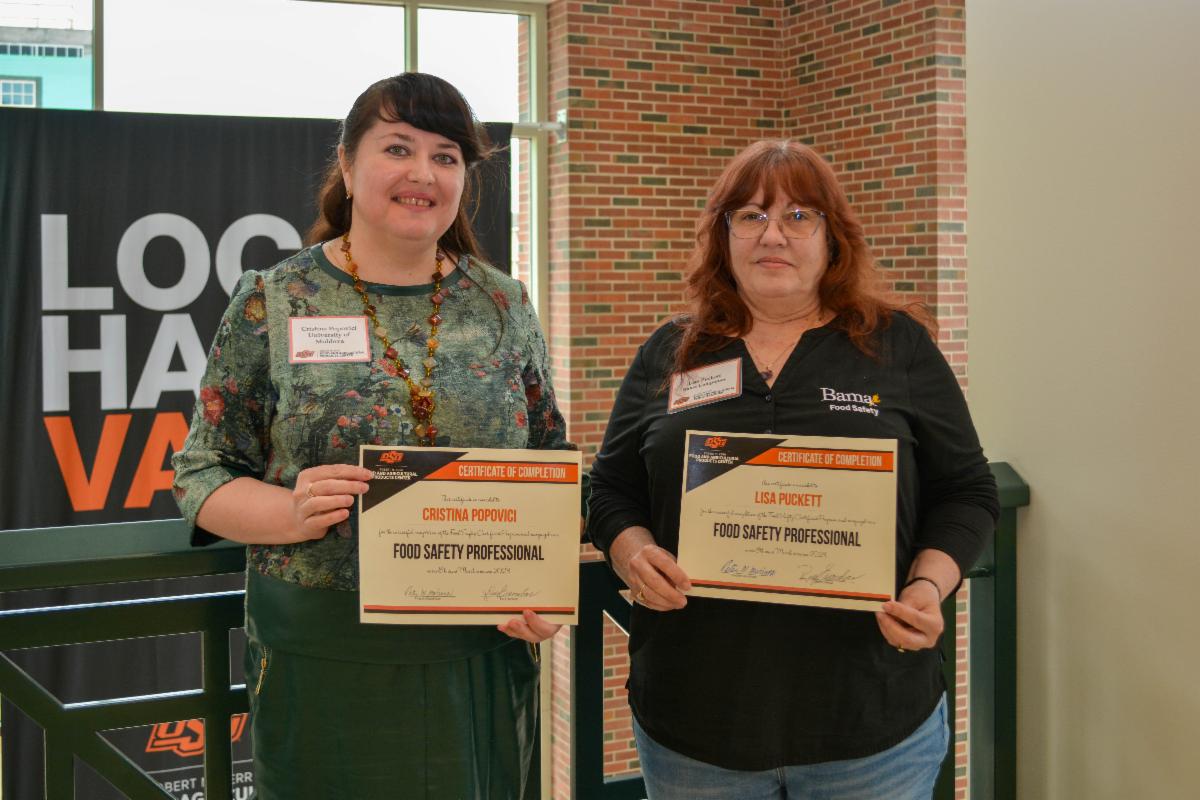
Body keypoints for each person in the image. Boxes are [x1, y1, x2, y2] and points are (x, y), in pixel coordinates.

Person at [172, 73, 568, 800]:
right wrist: (288, 511)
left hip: (478, 650)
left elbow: (549, 460)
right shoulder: (275, 299)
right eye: (398, 148)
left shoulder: (504, 303)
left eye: (446, 156)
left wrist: (543, 586)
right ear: (348, 167)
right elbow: (202, 473)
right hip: (321, 653)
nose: (424, 173)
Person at [586, 139, 999, 800]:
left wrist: (929, 585)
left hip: (871, 724)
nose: (772, 234)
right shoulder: (671, 351)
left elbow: (967, 490)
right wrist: (632, 552)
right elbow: (610, 489)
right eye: (750, 216)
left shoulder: (896, 346)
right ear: (723, 236)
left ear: (833, 239)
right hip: (696, 724)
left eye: (799, 216)